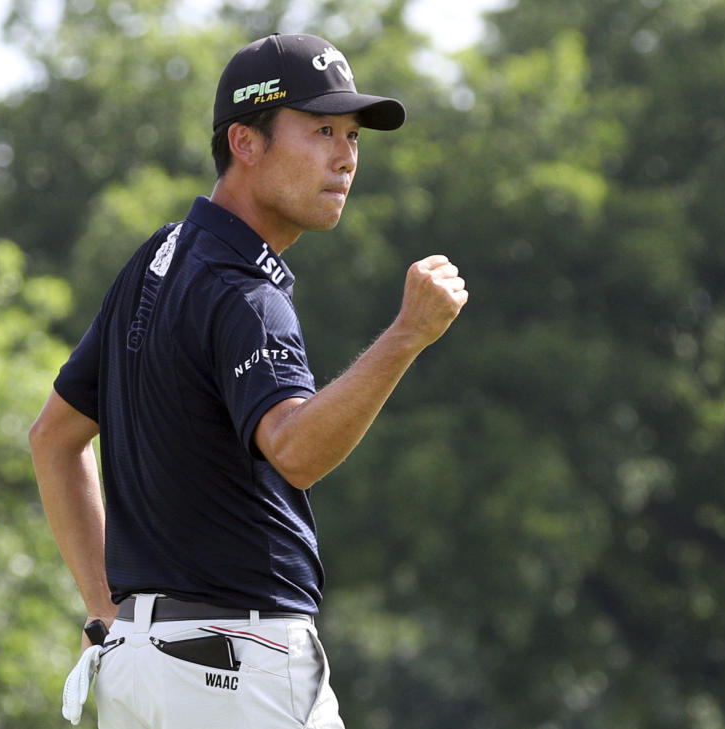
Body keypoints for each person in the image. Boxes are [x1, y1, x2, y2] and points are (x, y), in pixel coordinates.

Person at [29, 32, 468, 729]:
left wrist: (105, 611)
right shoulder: (245, 293)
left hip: (139, 669)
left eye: (352, 136)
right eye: (322, 129)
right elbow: (294, 449)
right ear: (245, 142)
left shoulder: (156, 260)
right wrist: (407, 334)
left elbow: (53, 438)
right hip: (239, 672)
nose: (346, 156)